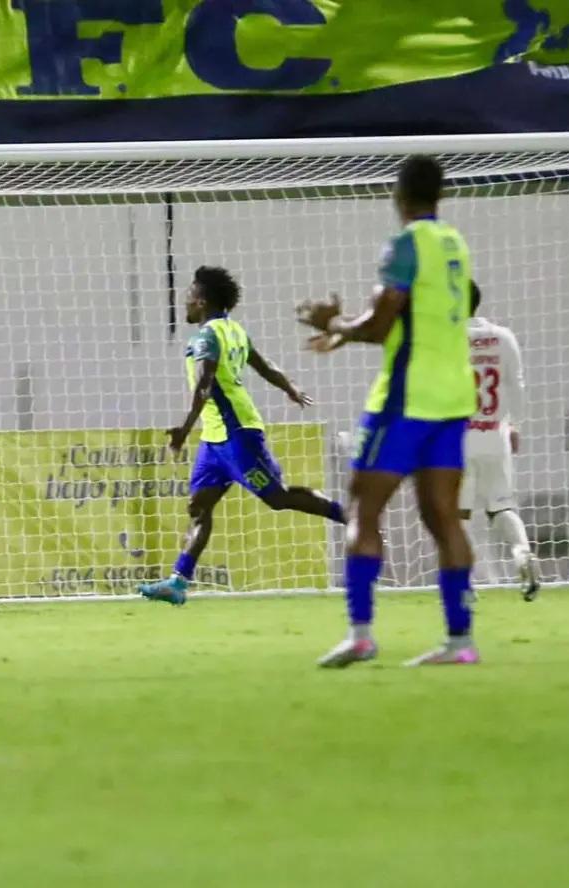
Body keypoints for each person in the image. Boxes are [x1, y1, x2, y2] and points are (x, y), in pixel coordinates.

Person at [299, 154, 478, 667]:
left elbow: (380, 325)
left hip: (407, 398)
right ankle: (460, 643)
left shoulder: (405, 244)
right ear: (439, 195)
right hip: (453, 396)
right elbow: (427, 316)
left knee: (363, 509)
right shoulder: (455, 244)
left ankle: (360, 633)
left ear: (398, 196)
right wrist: (349, 331)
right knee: (443, 516)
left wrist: (335, 326)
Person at [139, 266, 345, 607]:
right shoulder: (234, 331)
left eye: (189, 297)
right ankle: (178, 582)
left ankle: (350, 517)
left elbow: (205, 385)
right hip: (215, 439)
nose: (185, 304)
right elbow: (265, 367)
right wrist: (289, 387)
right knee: (198, 507)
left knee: (277, 498)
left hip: (237, 435)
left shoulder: (206, 337)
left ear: (201, 301)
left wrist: (183, 430)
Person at [460, 280, 540, 600]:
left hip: (460, 437)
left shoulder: (447, 341)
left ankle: (463, 584)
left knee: (458, 514)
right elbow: (516, 385)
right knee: (502, 505)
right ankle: (522, 553)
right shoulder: (503, 337)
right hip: (495, 433)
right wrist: (515, 425)